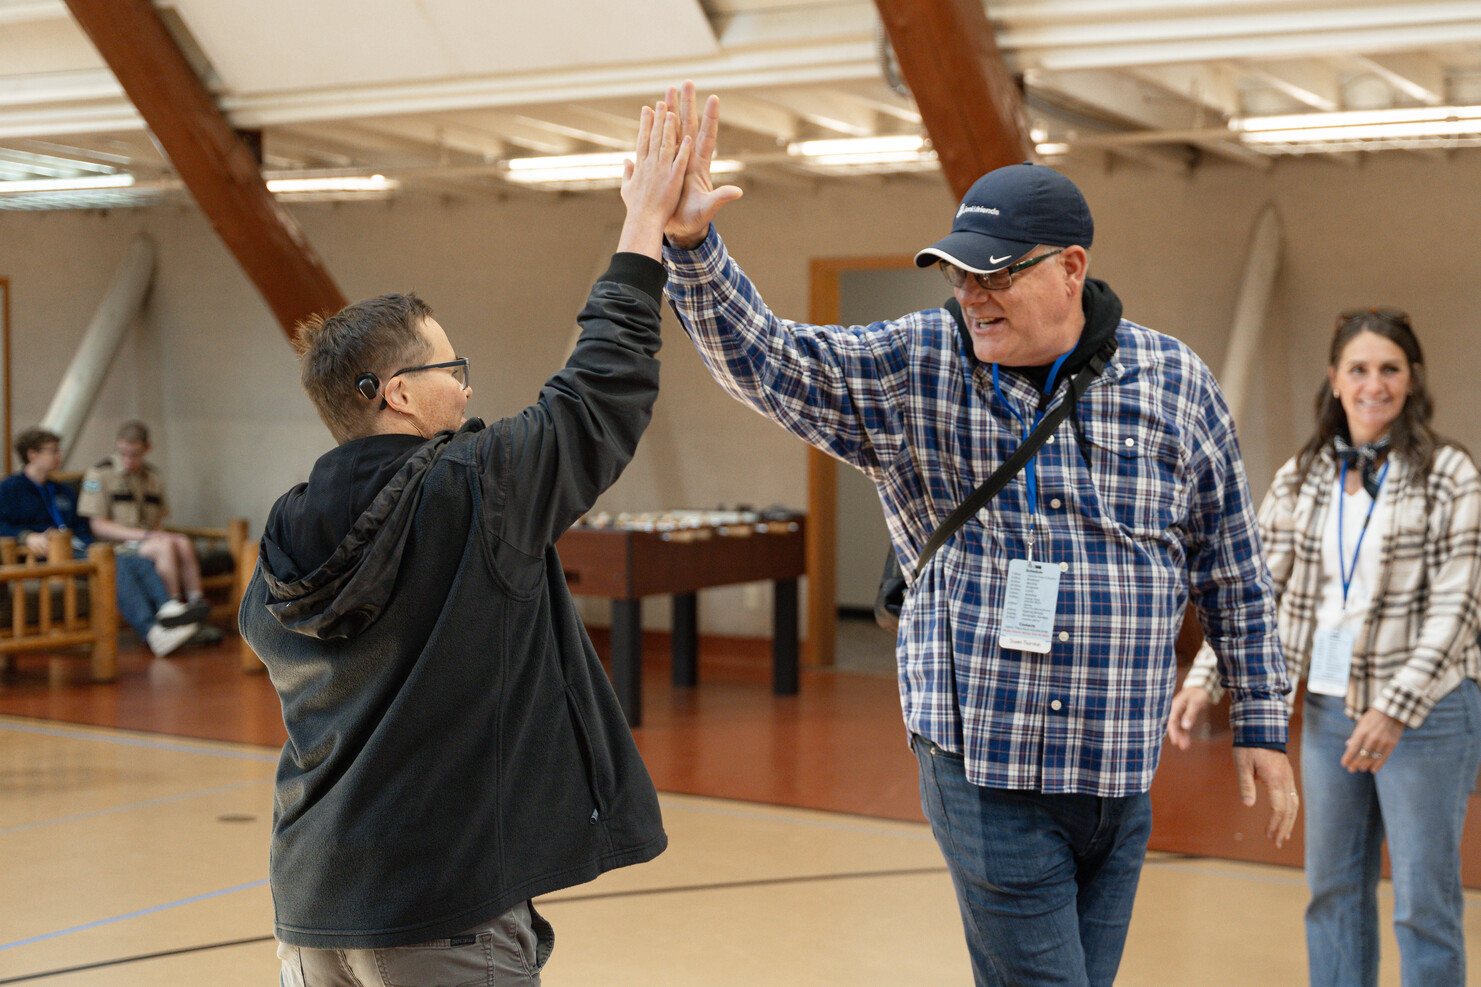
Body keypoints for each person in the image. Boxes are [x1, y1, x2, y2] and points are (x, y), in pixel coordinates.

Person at [654, 81, 1297, 987]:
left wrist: (1261, 723)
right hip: (987, 767)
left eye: (997, 274)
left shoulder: (1171, 380)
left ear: (1071, 269)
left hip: (1118, 775)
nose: (972, 294)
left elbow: (1232, 568)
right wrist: (692, 247)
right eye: (960, 272)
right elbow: (769, 360)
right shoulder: (918, 367)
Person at [237, 99, 689, 986]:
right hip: (439, 908)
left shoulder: (286, 525)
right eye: (452, 370)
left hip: (312, 907)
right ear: (397, 392)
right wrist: (643, 228)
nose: (467, 388)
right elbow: (598, 393)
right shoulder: (472, 487)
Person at [1172, 308, 1481, 987]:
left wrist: (1395, 707)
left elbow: (1459, 607)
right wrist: (1205, 676)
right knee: (1332, 892)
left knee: (1422, 907)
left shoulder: (1449, 473)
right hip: (1328, 711)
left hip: (1426, 717)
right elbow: (1253, 590)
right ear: (1334, 381)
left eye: (1389, 369)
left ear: (1412, 379)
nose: (1374, 384)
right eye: (1358, 368)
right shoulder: (1301, 474)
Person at [0, 427, 203, 656]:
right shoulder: (10, 488)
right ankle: (151, 632)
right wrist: (26, 536)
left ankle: (168, 611)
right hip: (45, 554)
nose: (58, 456)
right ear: (32, 454)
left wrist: (89, 544)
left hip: (80, 549)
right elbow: (2, 524)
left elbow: (81, 527)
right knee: (115, 566)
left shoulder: (62, 490)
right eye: (52, 451)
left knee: (139, 562)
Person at [78, 420, 207, 613]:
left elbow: (157, 522)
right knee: (163, 547)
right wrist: (146, 536)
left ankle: (196, 602)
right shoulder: (100, 473)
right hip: (116, 546)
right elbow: (98, 525)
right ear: (117, 444)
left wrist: (158, 534)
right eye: (123, 453)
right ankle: (170, 607)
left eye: (135, 454)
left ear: (147, 448)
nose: (128, 460)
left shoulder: (153, 476)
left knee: (181, 541)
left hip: (147, 539)